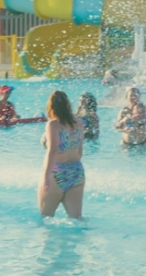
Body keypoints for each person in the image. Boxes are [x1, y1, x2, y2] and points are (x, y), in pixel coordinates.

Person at [38, 91, 85, 219]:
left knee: (46, 218)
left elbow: (52, 151)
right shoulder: (79, 123)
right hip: (77, 171)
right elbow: (80, 151)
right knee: (76, 219)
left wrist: (46, 177)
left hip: (57, 172)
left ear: (51, 106)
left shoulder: (53, 125)